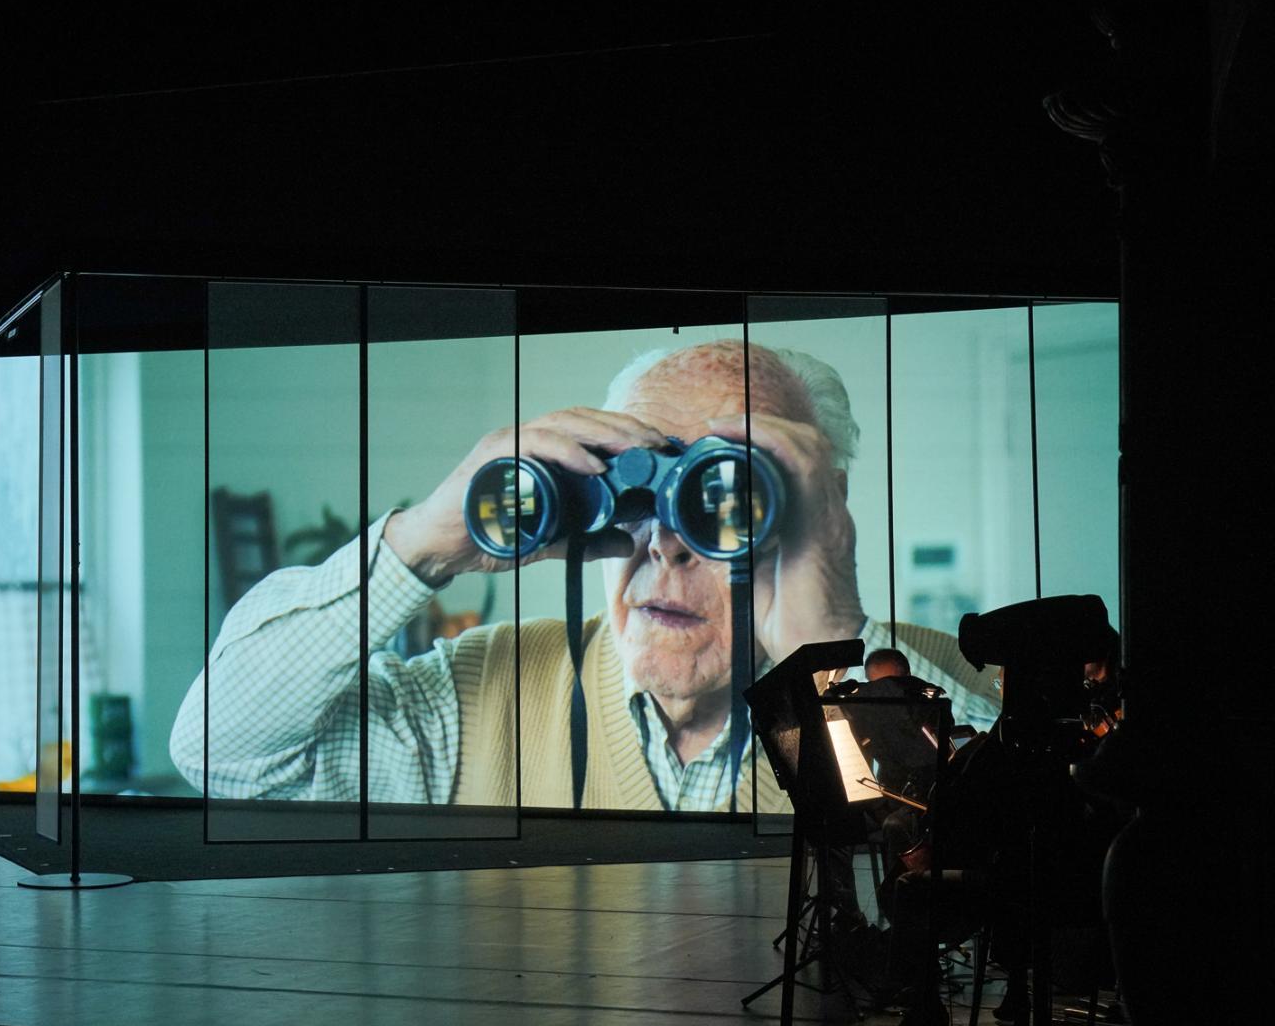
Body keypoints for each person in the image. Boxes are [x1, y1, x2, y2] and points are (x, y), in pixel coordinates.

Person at [171, 340, 1000, 812]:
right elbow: (221, 753)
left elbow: (1030, 854)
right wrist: (426, 539)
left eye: (723, 496)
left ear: (821, 510)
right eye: (635, 495)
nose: (665, 548)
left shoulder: (948, 680)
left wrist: (835, 652)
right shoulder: (481, 697)